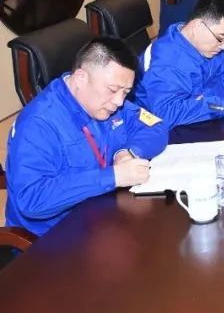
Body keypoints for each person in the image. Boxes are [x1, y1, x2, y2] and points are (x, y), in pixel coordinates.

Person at [5, 38, 169, 236]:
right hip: (55, 237)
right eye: (113, 90)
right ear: (81, 78)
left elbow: (156, 126)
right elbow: (31, 200)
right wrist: (112, 176)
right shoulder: (38, 124)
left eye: (126, 92)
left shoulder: (107, 104)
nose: (119, 101)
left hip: (102, 215)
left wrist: (127, 152)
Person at [135, 0, 224, 128]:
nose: (223, 46)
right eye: (221, 38)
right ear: (197, 26)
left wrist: (206, 98)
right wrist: (223, 104)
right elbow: (167, 114)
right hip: (157, 131)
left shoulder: (210, 46)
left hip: (197, 122)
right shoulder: (167, 61)